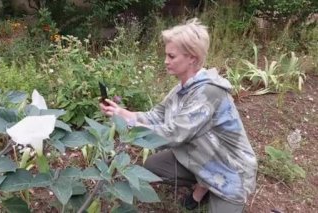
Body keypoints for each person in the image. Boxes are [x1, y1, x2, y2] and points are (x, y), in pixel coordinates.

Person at [99, 18, 258, 213]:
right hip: (203, 157)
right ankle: (203, 185)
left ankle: (207, 189)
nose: (165, 61)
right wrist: (122, 113)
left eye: (171, 56)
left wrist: (129, 126)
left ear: (192, 57)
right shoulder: (182, 88)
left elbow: (172, 135)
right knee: (153, 165)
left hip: (230, 171)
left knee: (227, 198)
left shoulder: (208, 93)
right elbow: (157, 115)